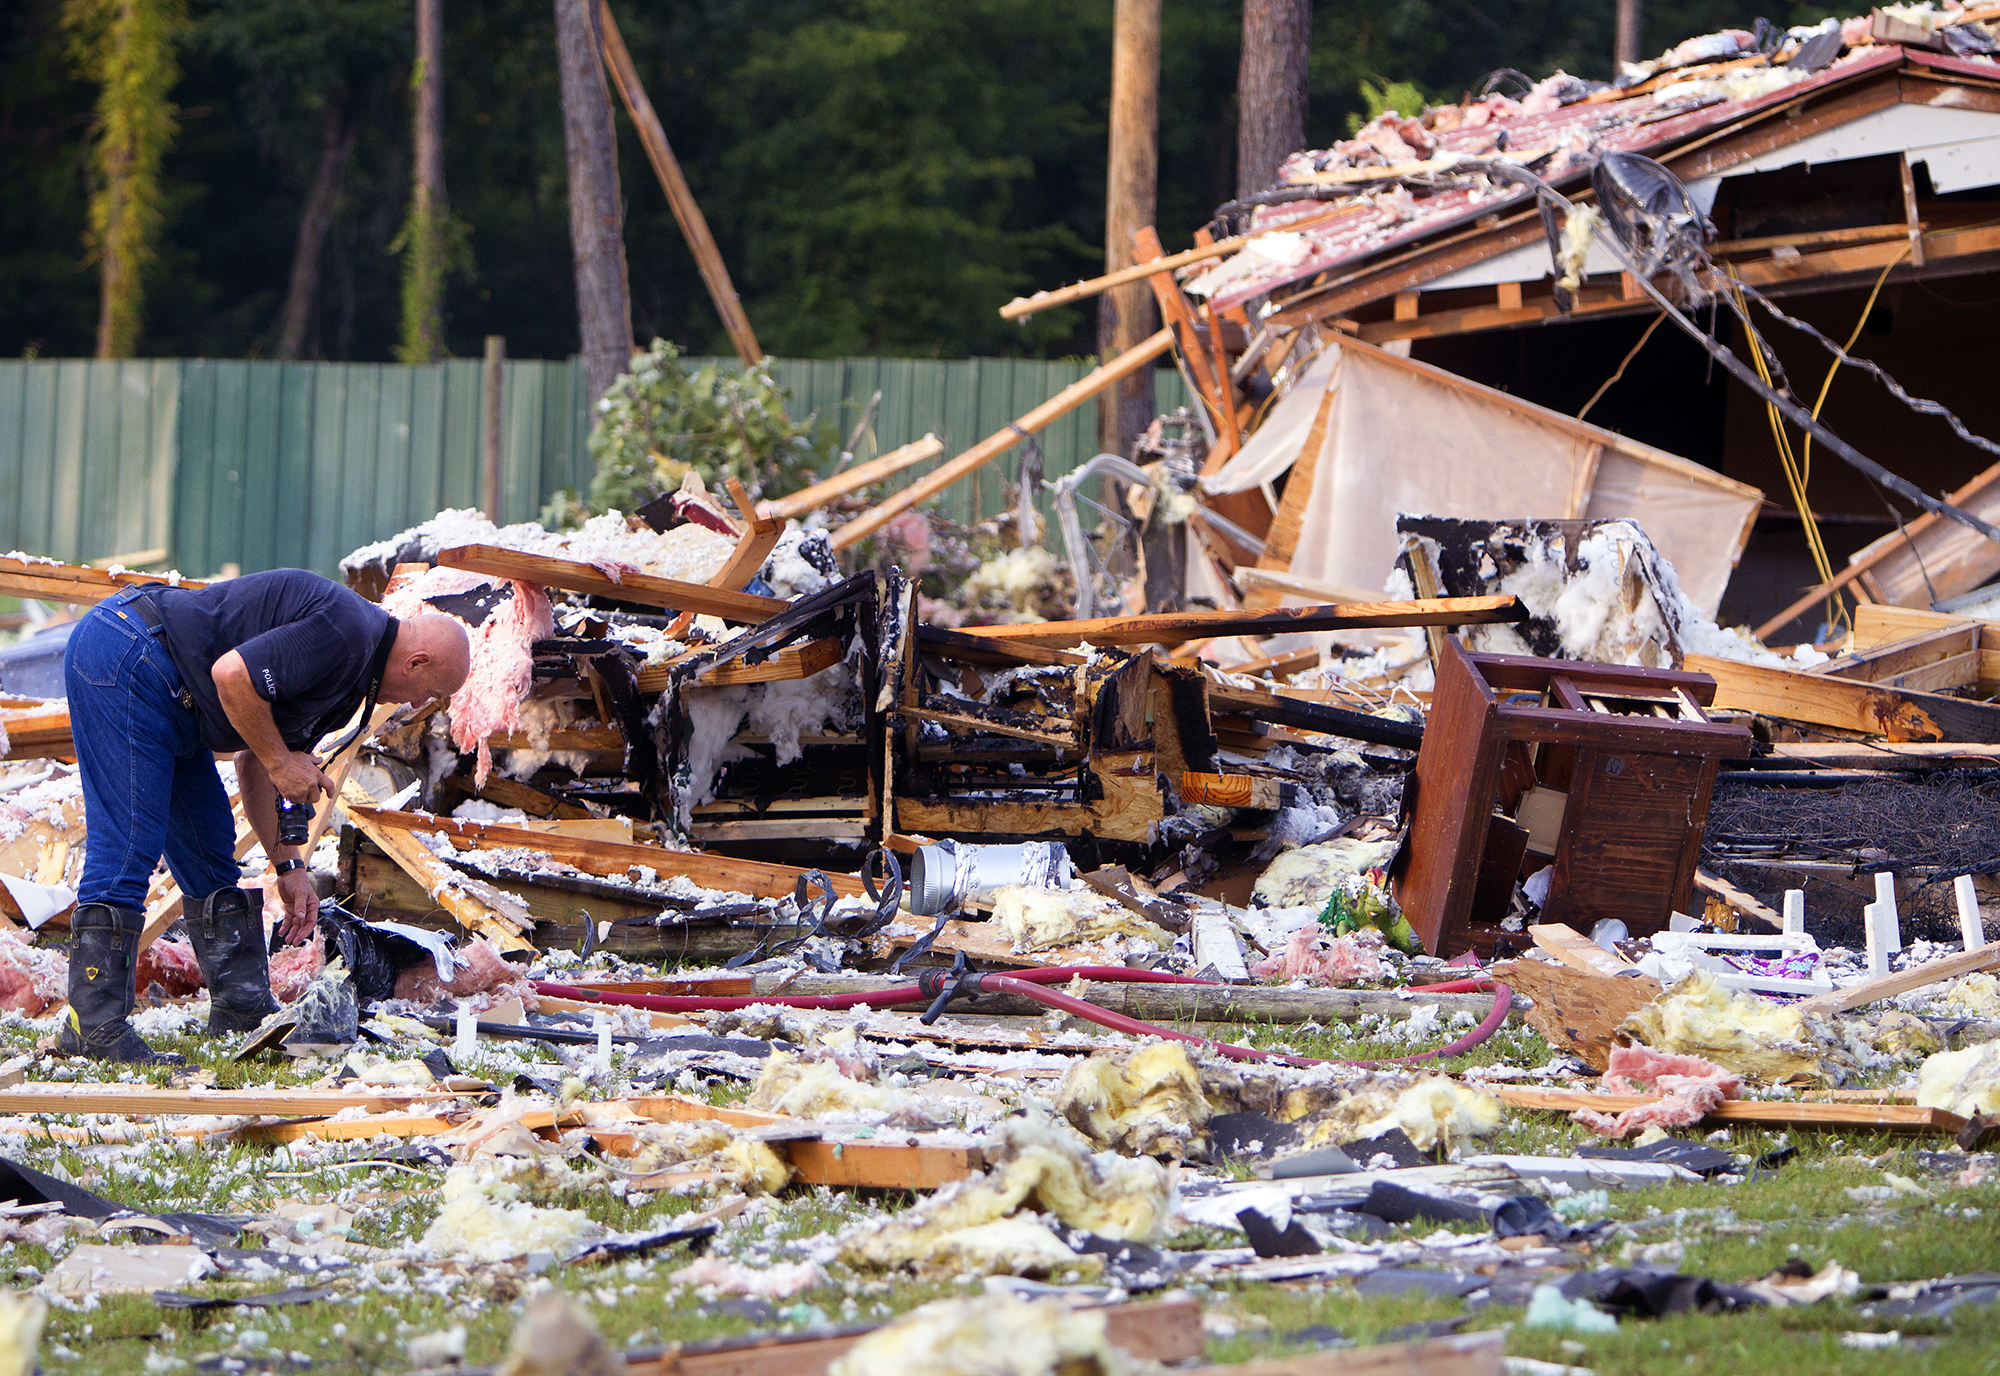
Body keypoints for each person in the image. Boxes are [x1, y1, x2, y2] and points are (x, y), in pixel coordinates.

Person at [60, 570, 471, 1063]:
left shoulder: (355, 676)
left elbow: (255, 760)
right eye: (429, 690)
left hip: (173, 691)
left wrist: (290, 868)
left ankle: (241, 1007)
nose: (417, 704)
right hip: (129, 653)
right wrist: (282, 761)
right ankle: (93, 1026)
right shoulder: (346, 634)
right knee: (130, 841)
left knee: (209, 851)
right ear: (416, 661)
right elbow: (233, 677)